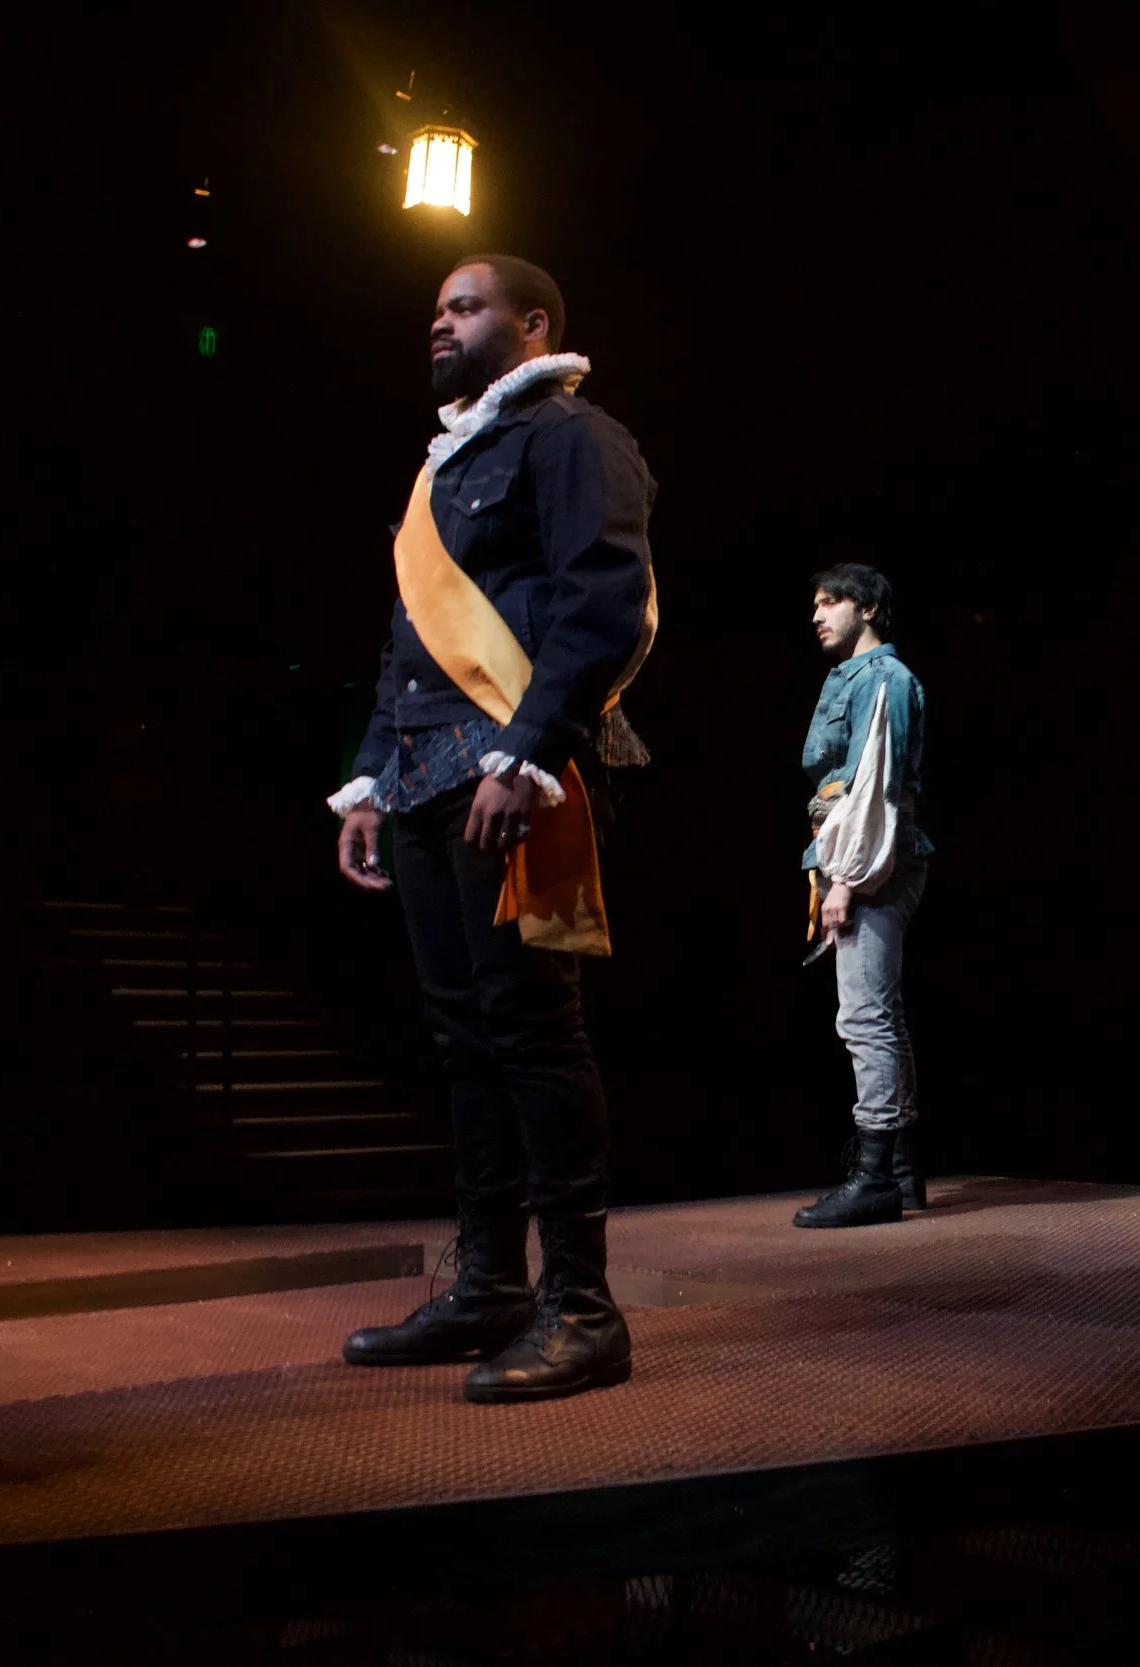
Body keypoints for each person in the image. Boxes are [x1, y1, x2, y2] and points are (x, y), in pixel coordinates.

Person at [327, 255, 657, 1399]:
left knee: (530, 1030)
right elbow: (407, 642)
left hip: (515, 768)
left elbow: (602, 600)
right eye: (435, 309)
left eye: (464, 308)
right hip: (424, 774)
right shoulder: (443, 465)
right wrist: (369, 778)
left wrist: (534, 750)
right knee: (462, 1036)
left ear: (532, 326)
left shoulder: (573, 437)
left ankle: (582, 1306)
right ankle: (489, 1287)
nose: (440, 322)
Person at [792, 564, 933, 1228]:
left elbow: (875, 784)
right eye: (815, 603)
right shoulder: (855, 677)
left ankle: (875, 1179)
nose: (817, 614)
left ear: (868, 608)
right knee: (884, 1014)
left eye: (831, 602)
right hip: (863, 854)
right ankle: (900, 1172)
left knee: (863, 1017)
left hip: (872, 860)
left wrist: (845, 878)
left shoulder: (883, 678)